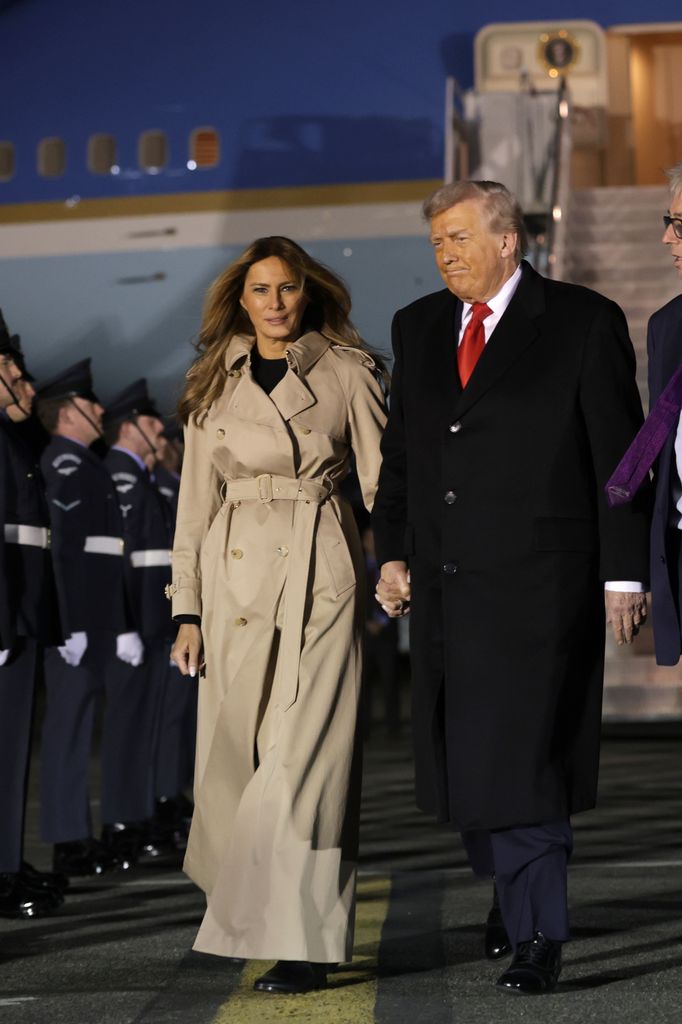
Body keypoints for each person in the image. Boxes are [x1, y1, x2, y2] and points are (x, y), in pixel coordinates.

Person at [372, 181, 651, 995]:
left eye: (458, 237)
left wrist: (621, 573)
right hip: (449, 591)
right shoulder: (418, 327)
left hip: (539, 585)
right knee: (467, 763)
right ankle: (509, 897)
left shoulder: (579, 320)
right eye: (436, 242)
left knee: (525, 760)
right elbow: (404, 458)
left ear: (508, 240)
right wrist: (391, 550)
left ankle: (538, 932)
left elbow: (620, 462)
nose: (445, 253)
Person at [169, 235, 387, 994]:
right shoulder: (209, 383)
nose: (274, 303)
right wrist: (186, 611)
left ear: (307, 291)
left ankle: (304, 939)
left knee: (305, 765)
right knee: (235, 766)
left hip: (317, 578)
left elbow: (383, 488)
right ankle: (252, 907)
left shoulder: (348, 374)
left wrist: (395, 565)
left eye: (286, 288)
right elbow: (192, 513)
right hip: (231, 591)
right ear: (241, 298)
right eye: (260, 290)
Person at [36, 359, 135, 876]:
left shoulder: (86, 464)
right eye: (91, 403)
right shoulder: (63, 463)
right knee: (68, 732)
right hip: (76, 625)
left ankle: (77, 832)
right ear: (68, 413)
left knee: (81, 731)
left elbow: (103, 559)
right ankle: (65, 838)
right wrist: (69, 623)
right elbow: (62, 555)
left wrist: (114, 623)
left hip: (95, 623)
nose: (101, 410)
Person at [0, 322, 66, 918]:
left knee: (14, 751)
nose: (25, 382)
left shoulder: (17, 439)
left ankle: (7, 864)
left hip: (22, 613)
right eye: (14, 375)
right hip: (5, 617)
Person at [101, 380, 176, 862]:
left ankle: (141, 814)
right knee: (128, 725)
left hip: (153, 618)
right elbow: (111, 561)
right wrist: (122, 622)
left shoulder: (141, 478)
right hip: (135, 620)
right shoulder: (120, 478)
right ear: (130, 428)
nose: (160, 433)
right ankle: (122, 821)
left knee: (147, 724)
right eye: (151, 423)